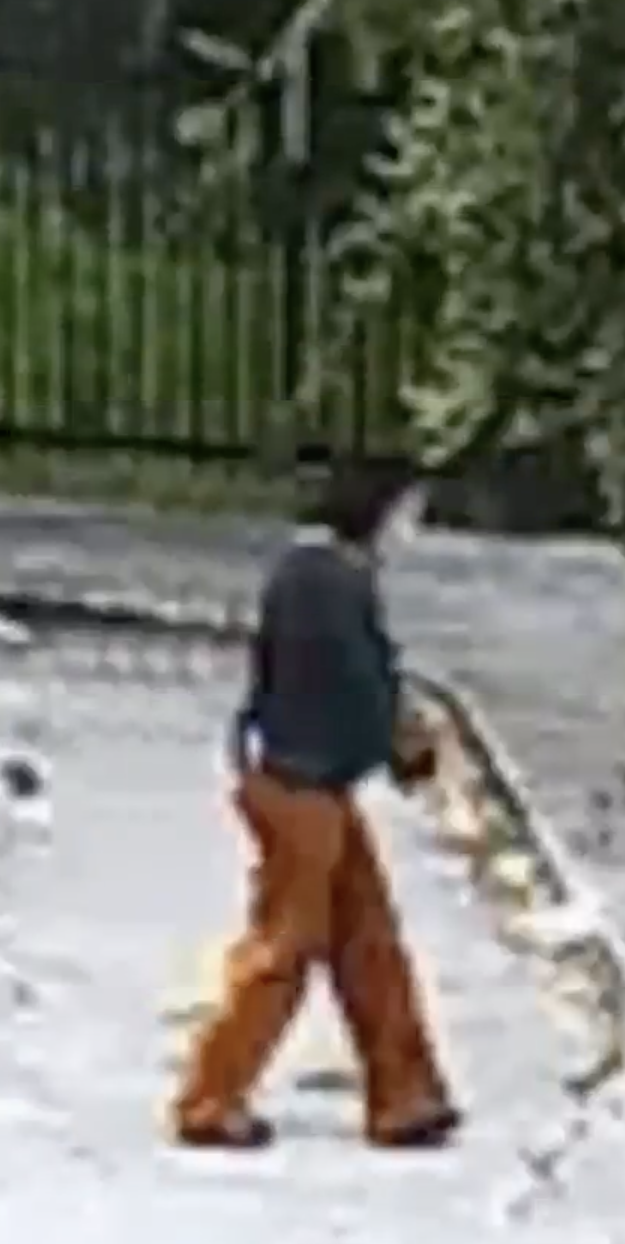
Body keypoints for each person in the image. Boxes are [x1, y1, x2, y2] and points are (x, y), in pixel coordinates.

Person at [168, 457, 463, 1150]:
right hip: (301, 786)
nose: (410, 530)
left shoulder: (317, 573)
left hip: (305, 780)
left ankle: (405, 1095)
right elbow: (360, 684)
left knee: (367, 940)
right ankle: (209, 1098)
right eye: (408, 513)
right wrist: (399, 749)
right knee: (285, 944)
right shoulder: (327, 582)